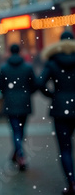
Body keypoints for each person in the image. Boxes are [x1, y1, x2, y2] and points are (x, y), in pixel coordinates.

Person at [38, 31, 75, 195]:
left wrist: (53, 95)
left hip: (60, 108)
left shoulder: (52, 62)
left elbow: (40, 83)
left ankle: (72, 182)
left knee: (65, 149)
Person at [0, 43, 37, 171]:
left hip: (10, 102)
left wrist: (8, 94)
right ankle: (19, 154)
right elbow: (34, 84)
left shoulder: (4, 68)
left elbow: (1, 87)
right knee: (22, 129)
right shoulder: (27, 67)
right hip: (24, 102)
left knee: (15, 130)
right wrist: (26, 93)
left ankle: (19, 154)